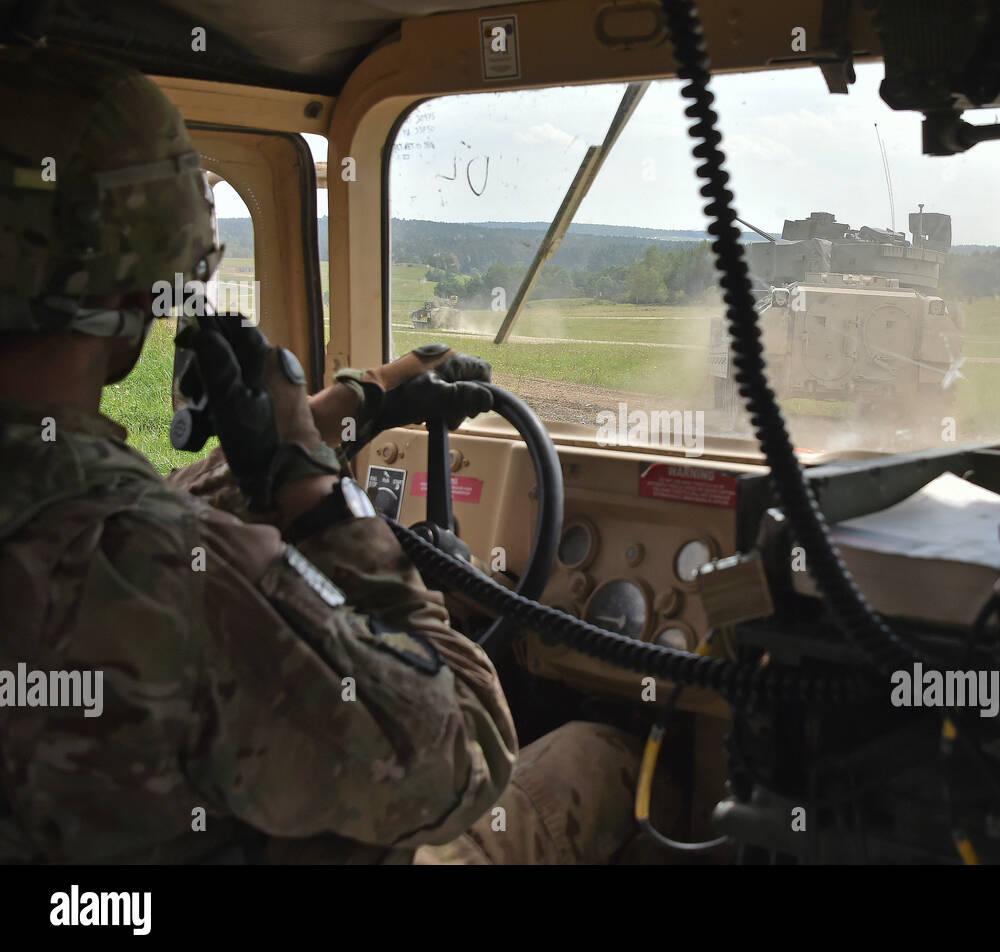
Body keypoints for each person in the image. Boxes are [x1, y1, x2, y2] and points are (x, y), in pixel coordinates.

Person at [0, 44, 654, 864]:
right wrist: (325, 499)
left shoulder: (99, 534)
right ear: (138, 294)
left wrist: (340, 411)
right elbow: (459, 755)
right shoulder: (166, 581)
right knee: (598, 757)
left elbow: (125, 519)